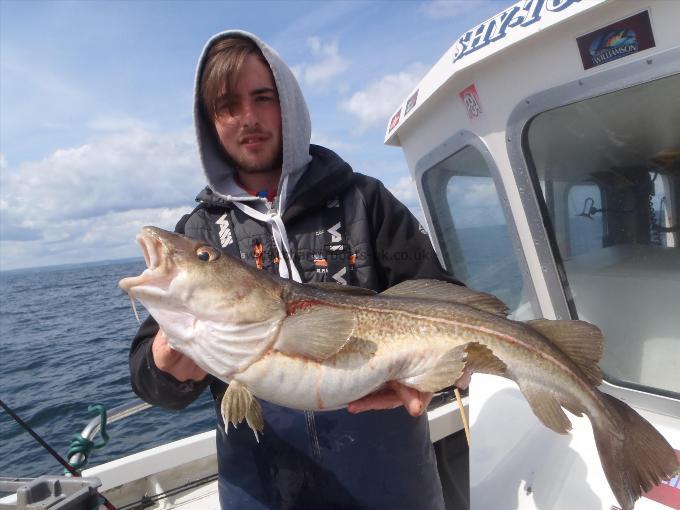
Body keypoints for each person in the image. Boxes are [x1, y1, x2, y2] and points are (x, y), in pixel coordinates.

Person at [129, 30, 466, 510]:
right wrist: (168, 364)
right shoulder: (199, 231)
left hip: (388, 470)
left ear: (288, 102)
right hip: (262, 480)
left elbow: (443, 304)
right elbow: (152, 382)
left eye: (262, 98)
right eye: (227, 105)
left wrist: (437, 378)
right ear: (210, 123)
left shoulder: (364, 200)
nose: (248, 118)